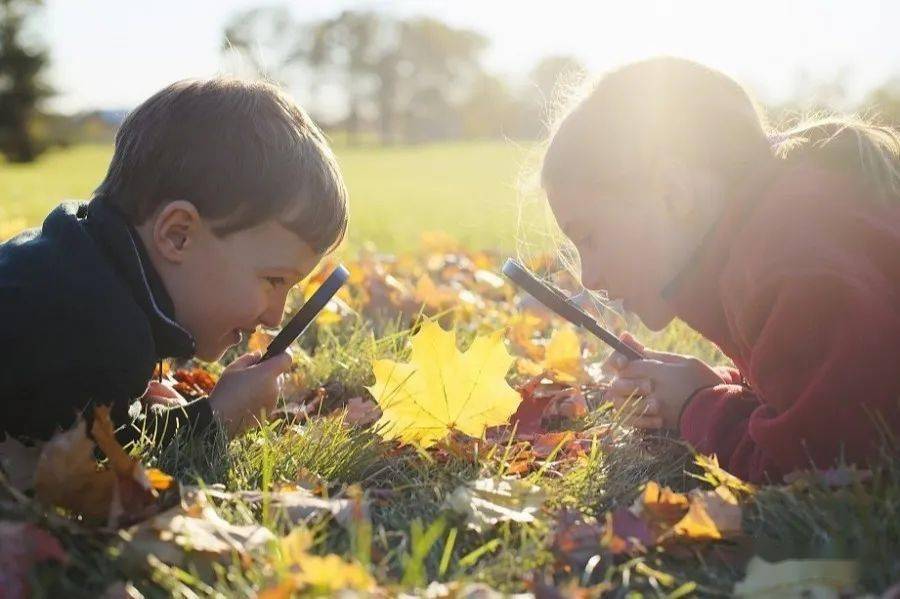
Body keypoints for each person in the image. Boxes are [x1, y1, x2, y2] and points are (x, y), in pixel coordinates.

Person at [538, 56, 900, 482]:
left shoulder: (791, 264)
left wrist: (697, 407)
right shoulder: (781, 221)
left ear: (674, 193)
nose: (589, 278)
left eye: (590, 238)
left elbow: (816, 465)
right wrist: (715, 385)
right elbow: (833, 388)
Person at [0, 78, 348, 445]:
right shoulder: (101, 334)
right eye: (274, 280)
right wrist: (215, 418)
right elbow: (86, 466)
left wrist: (127, 403)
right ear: (177, 235)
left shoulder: (77, 262)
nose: (275, 317)